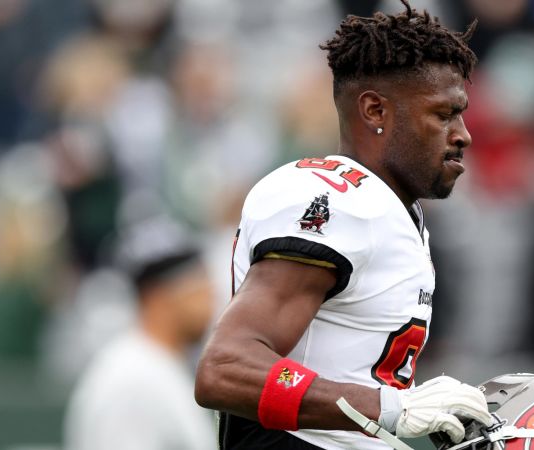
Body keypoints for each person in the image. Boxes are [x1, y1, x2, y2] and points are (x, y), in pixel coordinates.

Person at [194, 1, 493, 449]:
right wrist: (390, 408)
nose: (463, 134)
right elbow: (225, 369)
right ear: (374, 111)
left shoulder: (391, 210)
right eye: (443, 114)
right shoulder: (337, 201)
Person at [64, 218, 216, 450]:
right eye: (198, 285)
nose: (210, 299)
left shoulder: (158, 365)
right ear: (159, 296)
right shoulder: (131, 380)